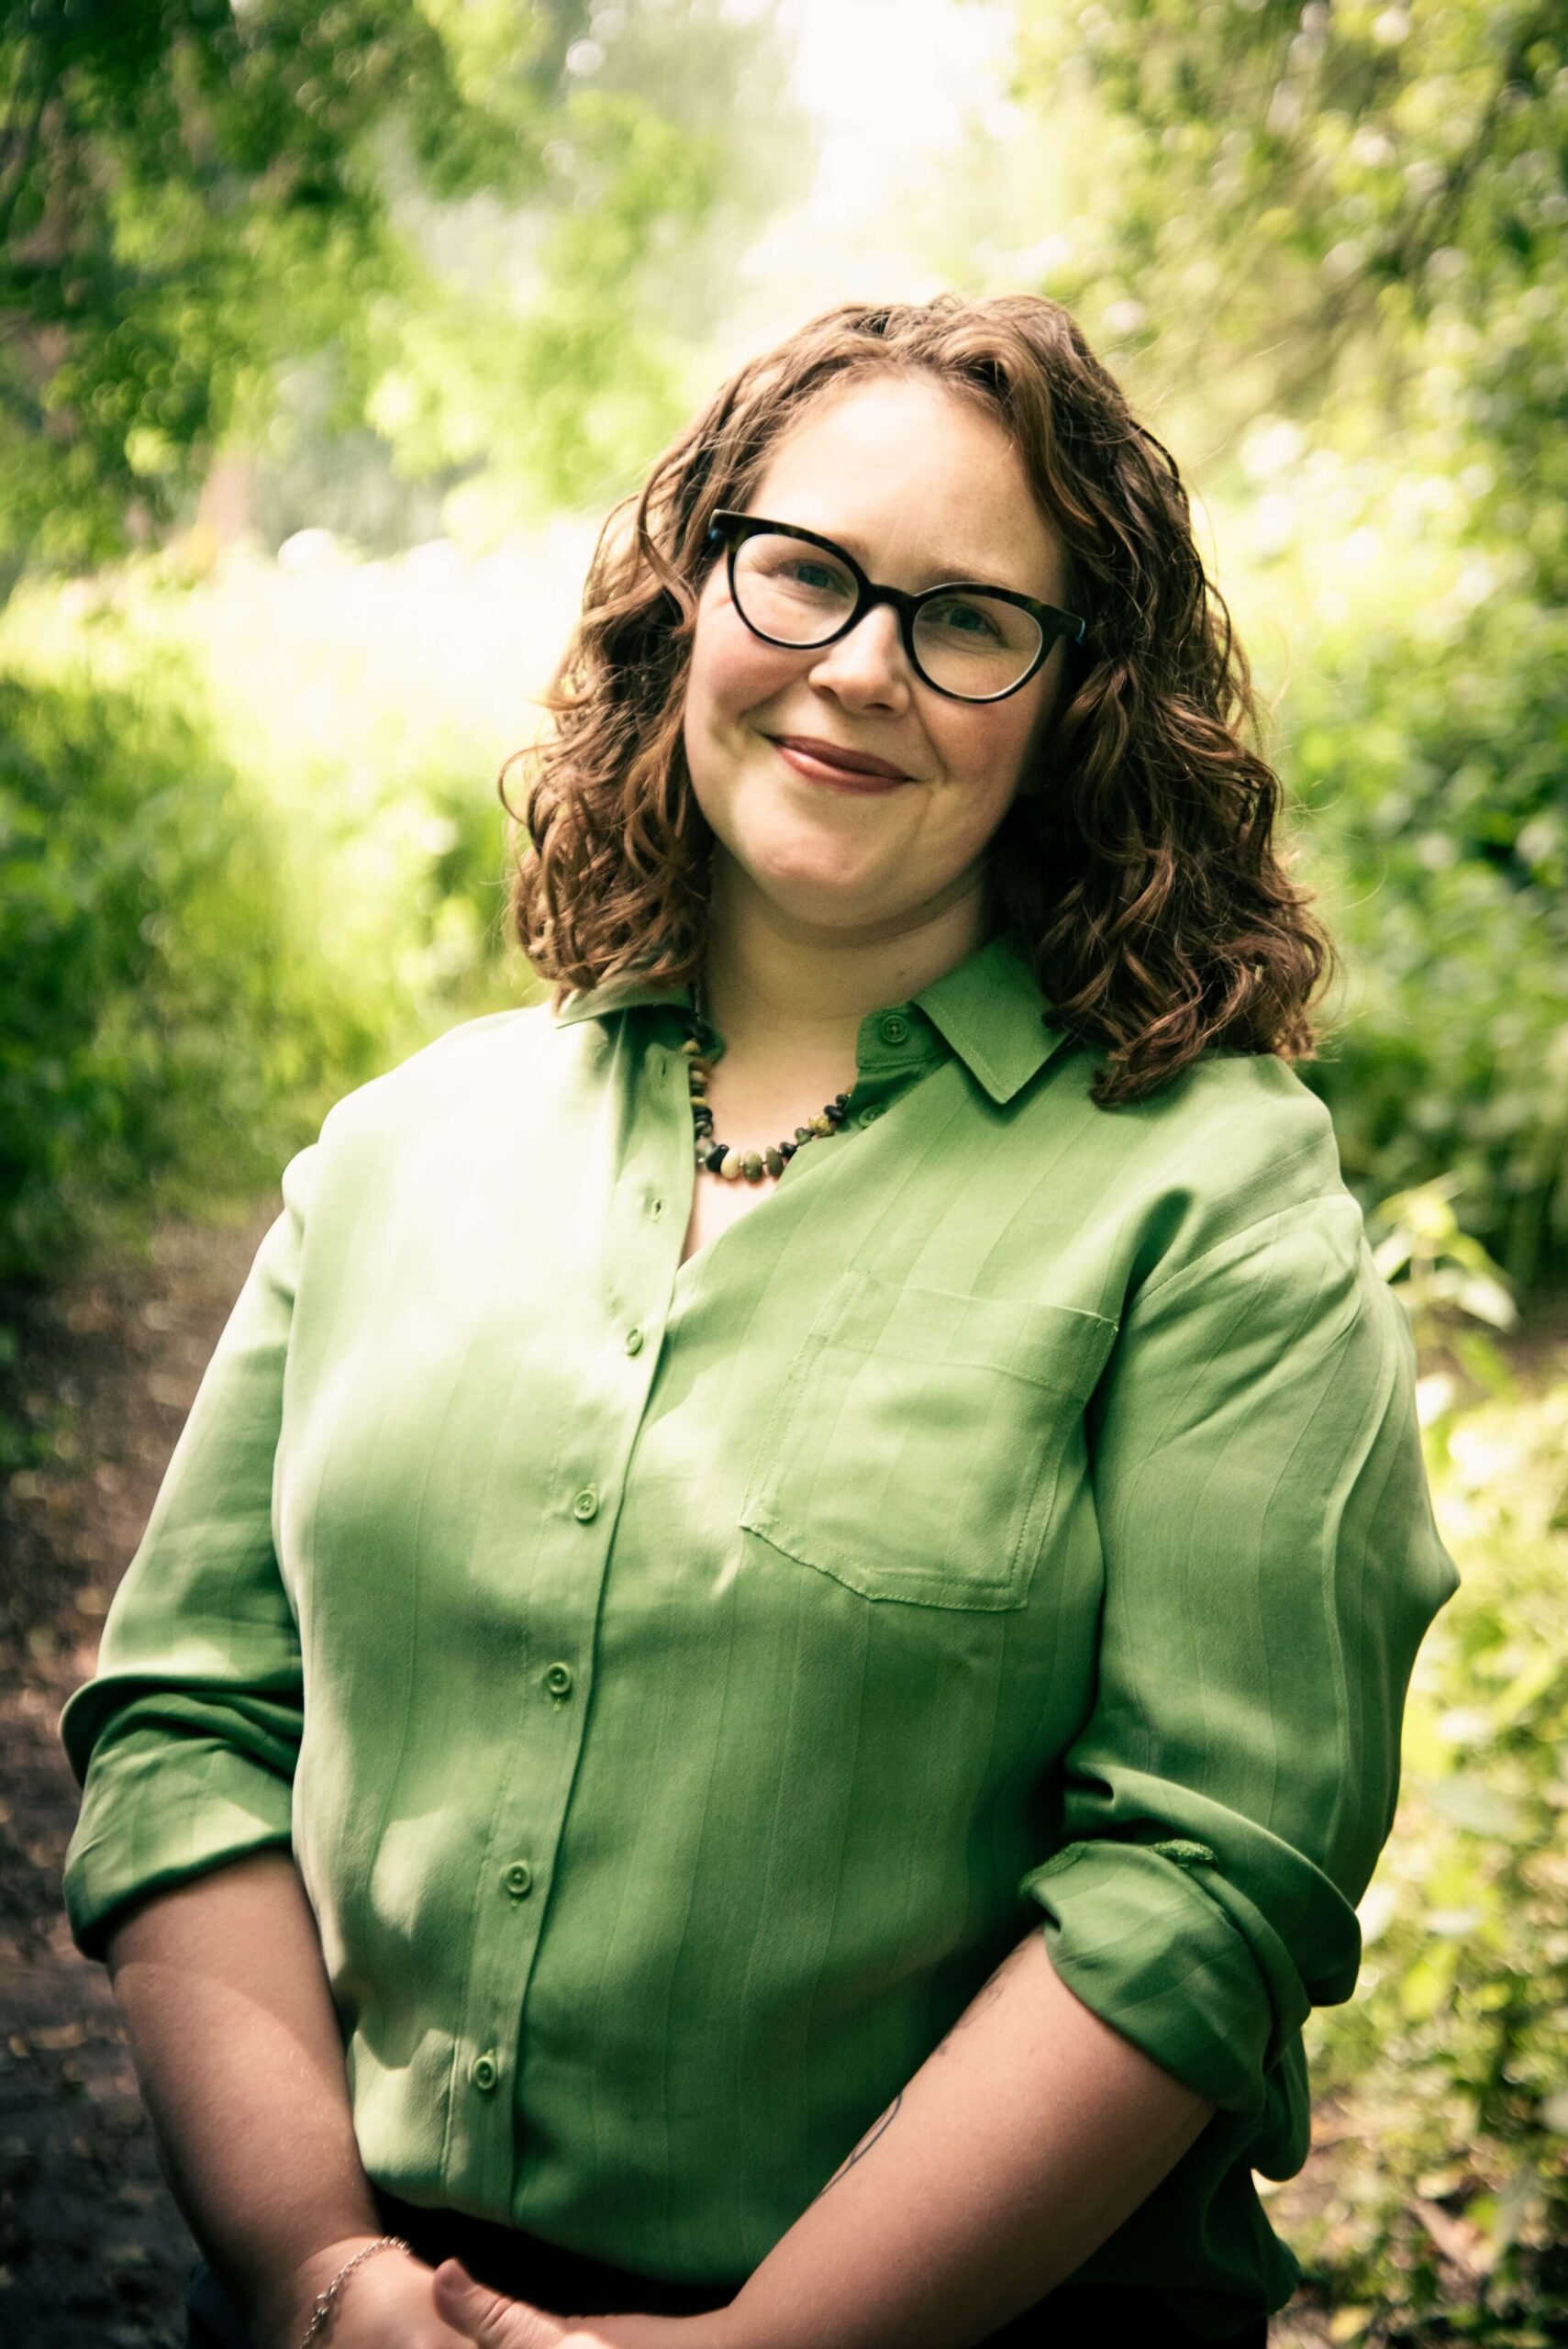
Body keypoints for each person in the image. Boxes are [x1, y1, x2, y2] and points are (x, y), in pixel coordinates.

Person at [58, 292, 1460, 2349]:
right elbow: (190, 1726)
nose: (859, 667)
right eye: (803, 573)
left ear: (1081, 699)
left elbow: (1204, 1884)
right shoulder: (397, 1145)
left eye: (970, 619)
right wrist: (319, 2270)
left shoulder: (1217, 1204)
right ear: (692, 592)